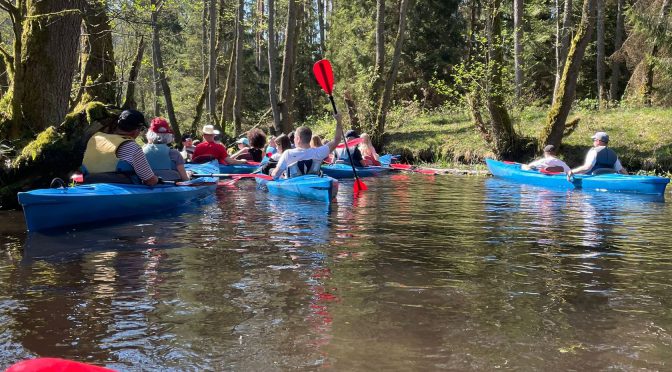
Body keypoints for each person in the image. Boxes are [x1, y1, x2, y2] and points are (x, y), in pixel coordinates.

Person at [81, 109, 159, 186]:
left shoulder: (96, 138)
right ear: (137, 130)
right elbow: (150, 181)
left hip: (87, 185)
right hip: (120, 193)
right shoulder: (132, 147)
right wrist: (158, 179)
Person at [271, 114, 343, 179]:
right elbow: (337, 140)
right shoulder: (319, 152)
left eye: (295, 137)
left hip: (293, 187)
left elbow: (275, 175)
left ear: (298, 139)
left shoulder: (288, 153)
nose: (294, 139)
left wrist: (272, 173)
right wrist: (339, 122)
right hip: (313, 184)